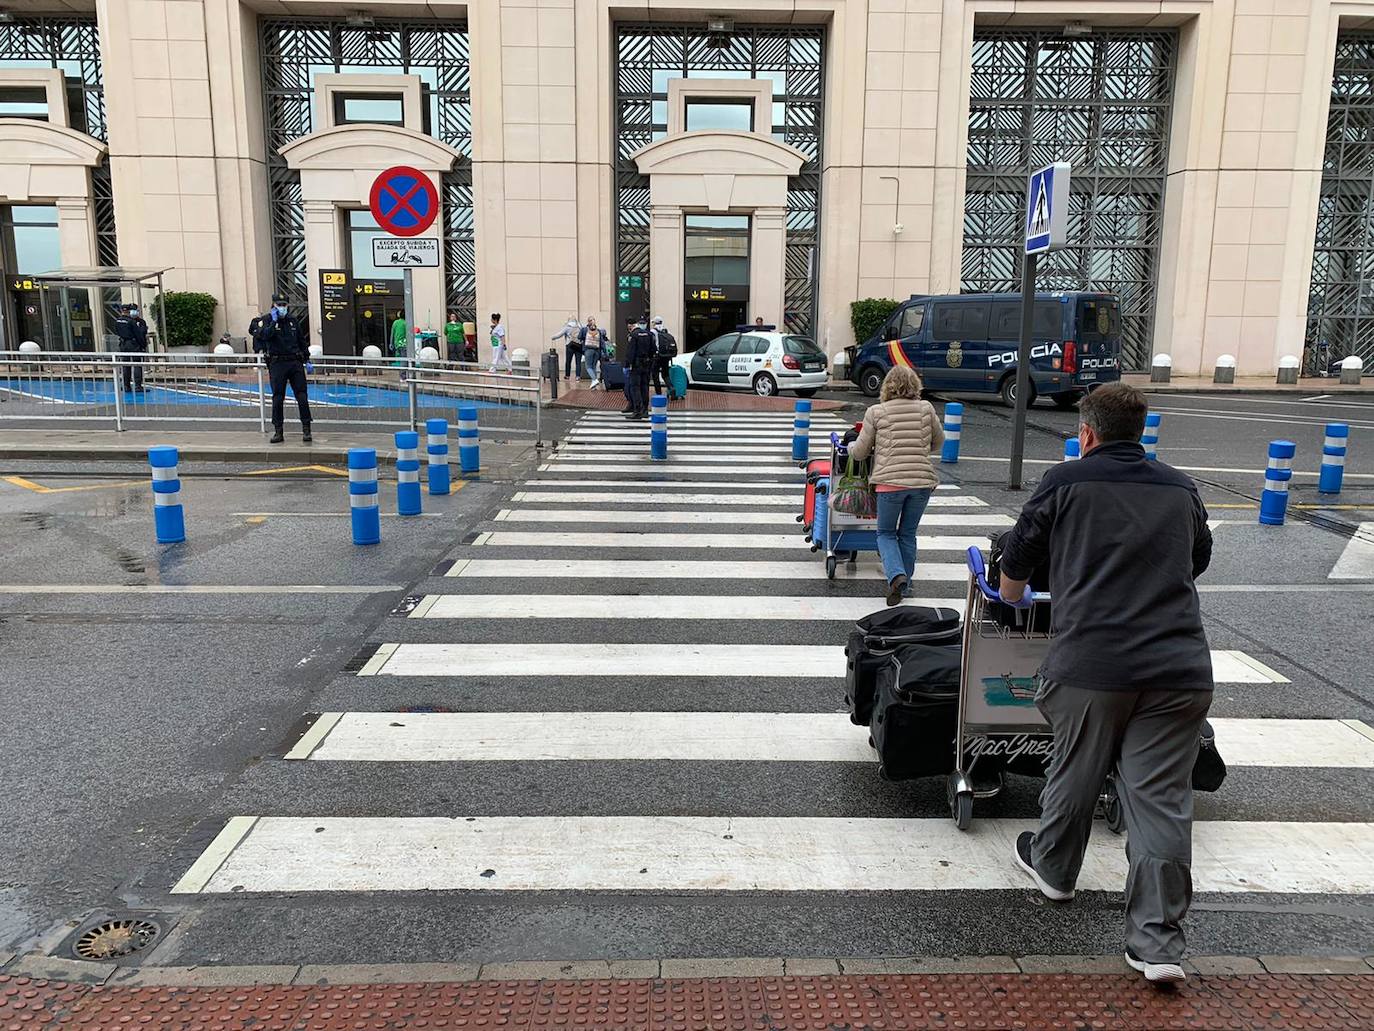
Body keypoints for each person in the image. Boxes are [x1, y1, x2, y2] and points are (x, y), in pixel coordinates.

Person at [996, 382, 1213, 986]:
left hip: (1092, 664)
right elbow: (1197, 559)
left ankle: (1055, 871)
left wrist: (1028, 590)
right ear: (1139, 432)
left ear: (1086, 434)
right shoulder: (1179, 486)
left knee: (1075, 768)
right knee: (1161, 802)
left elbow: (1014, 574)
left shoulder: (1064, 482)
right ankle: (1156, 945)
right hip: (1179, 669)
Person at [846, 365, 943, 606]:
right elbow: (939, 442)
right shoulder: (926, 408)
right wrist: (919, 451)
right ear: (914, 385)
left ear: (887, 386)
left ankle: (896, 575)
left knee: (886, 533)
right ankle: (905, 584)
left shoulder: (877, 412)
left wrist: (849, 448)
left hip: (889, 483)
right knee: (908, 534)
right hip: (921, 482)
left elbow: (860, 453)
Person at [253, 292, 312, 444]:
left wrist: (307, 358)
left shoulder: (293, 321)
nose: (282, 308)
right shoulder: (266, 320)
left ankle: (306, 429)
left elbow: (301, 340)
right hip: (277, 363)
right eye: (279, 305)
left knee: (302, 395)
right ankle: (278, 431)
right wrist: (273, 322)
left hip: (294, 362)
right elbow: (264, 336)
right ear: (273, 305)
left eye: (284, 305)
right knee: (278, 398)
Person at [624, 316, 656, 420]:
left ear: (631, 326)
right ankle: (645, 410)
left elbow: (630, 352)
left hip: (636, 365)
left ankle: (637, 410)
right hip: (646, 364)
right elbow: (653, 349)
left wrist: (628, 364)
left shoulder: (633, 335)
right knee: (645, 387)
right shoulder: (649, 334)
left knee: (635, 387)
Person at [112, 303, 149, 392]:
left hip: (123, 344)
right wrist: (143, 345)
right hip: (133, 344)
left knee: (126, 365)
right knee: (137, 364)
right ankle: (138, 386)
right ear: (128, 311)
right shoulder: (131, 321)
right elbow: (138, 334)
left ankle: (126, 386)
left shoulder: (118, 320)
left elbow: (116, 331)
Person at [650, 315, 677, 397]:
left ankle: (658, 393)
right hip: (666, 356)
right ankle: (671, 388)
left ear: (654, 323)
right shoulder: (665, 330)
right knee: (665, 374)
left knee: (655, 374)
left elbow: (651, 343)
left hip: (658, 356)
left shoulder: (653, 331)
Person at [579, 315, 608, 388]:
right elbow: (602, 343)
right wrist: (605, 352)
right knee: (594, 367)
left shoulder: (584, 330)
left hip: (588, 350)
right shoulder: (598, 331)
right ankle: (594, 385)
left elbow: (579, 337)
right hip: (597, 351)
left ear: (588, 322)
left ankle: (594, 379)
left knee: (588, 367)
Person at [553, 316, 584, 381]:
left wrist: (553, 337)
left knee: (568, 361)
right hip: (579, 345)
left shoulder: (567, 327)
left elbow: (560, 334)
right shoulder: (580, 326)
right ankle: (578, 376)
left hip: (570, 345)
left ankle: (567, 375)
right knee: (578, 362)